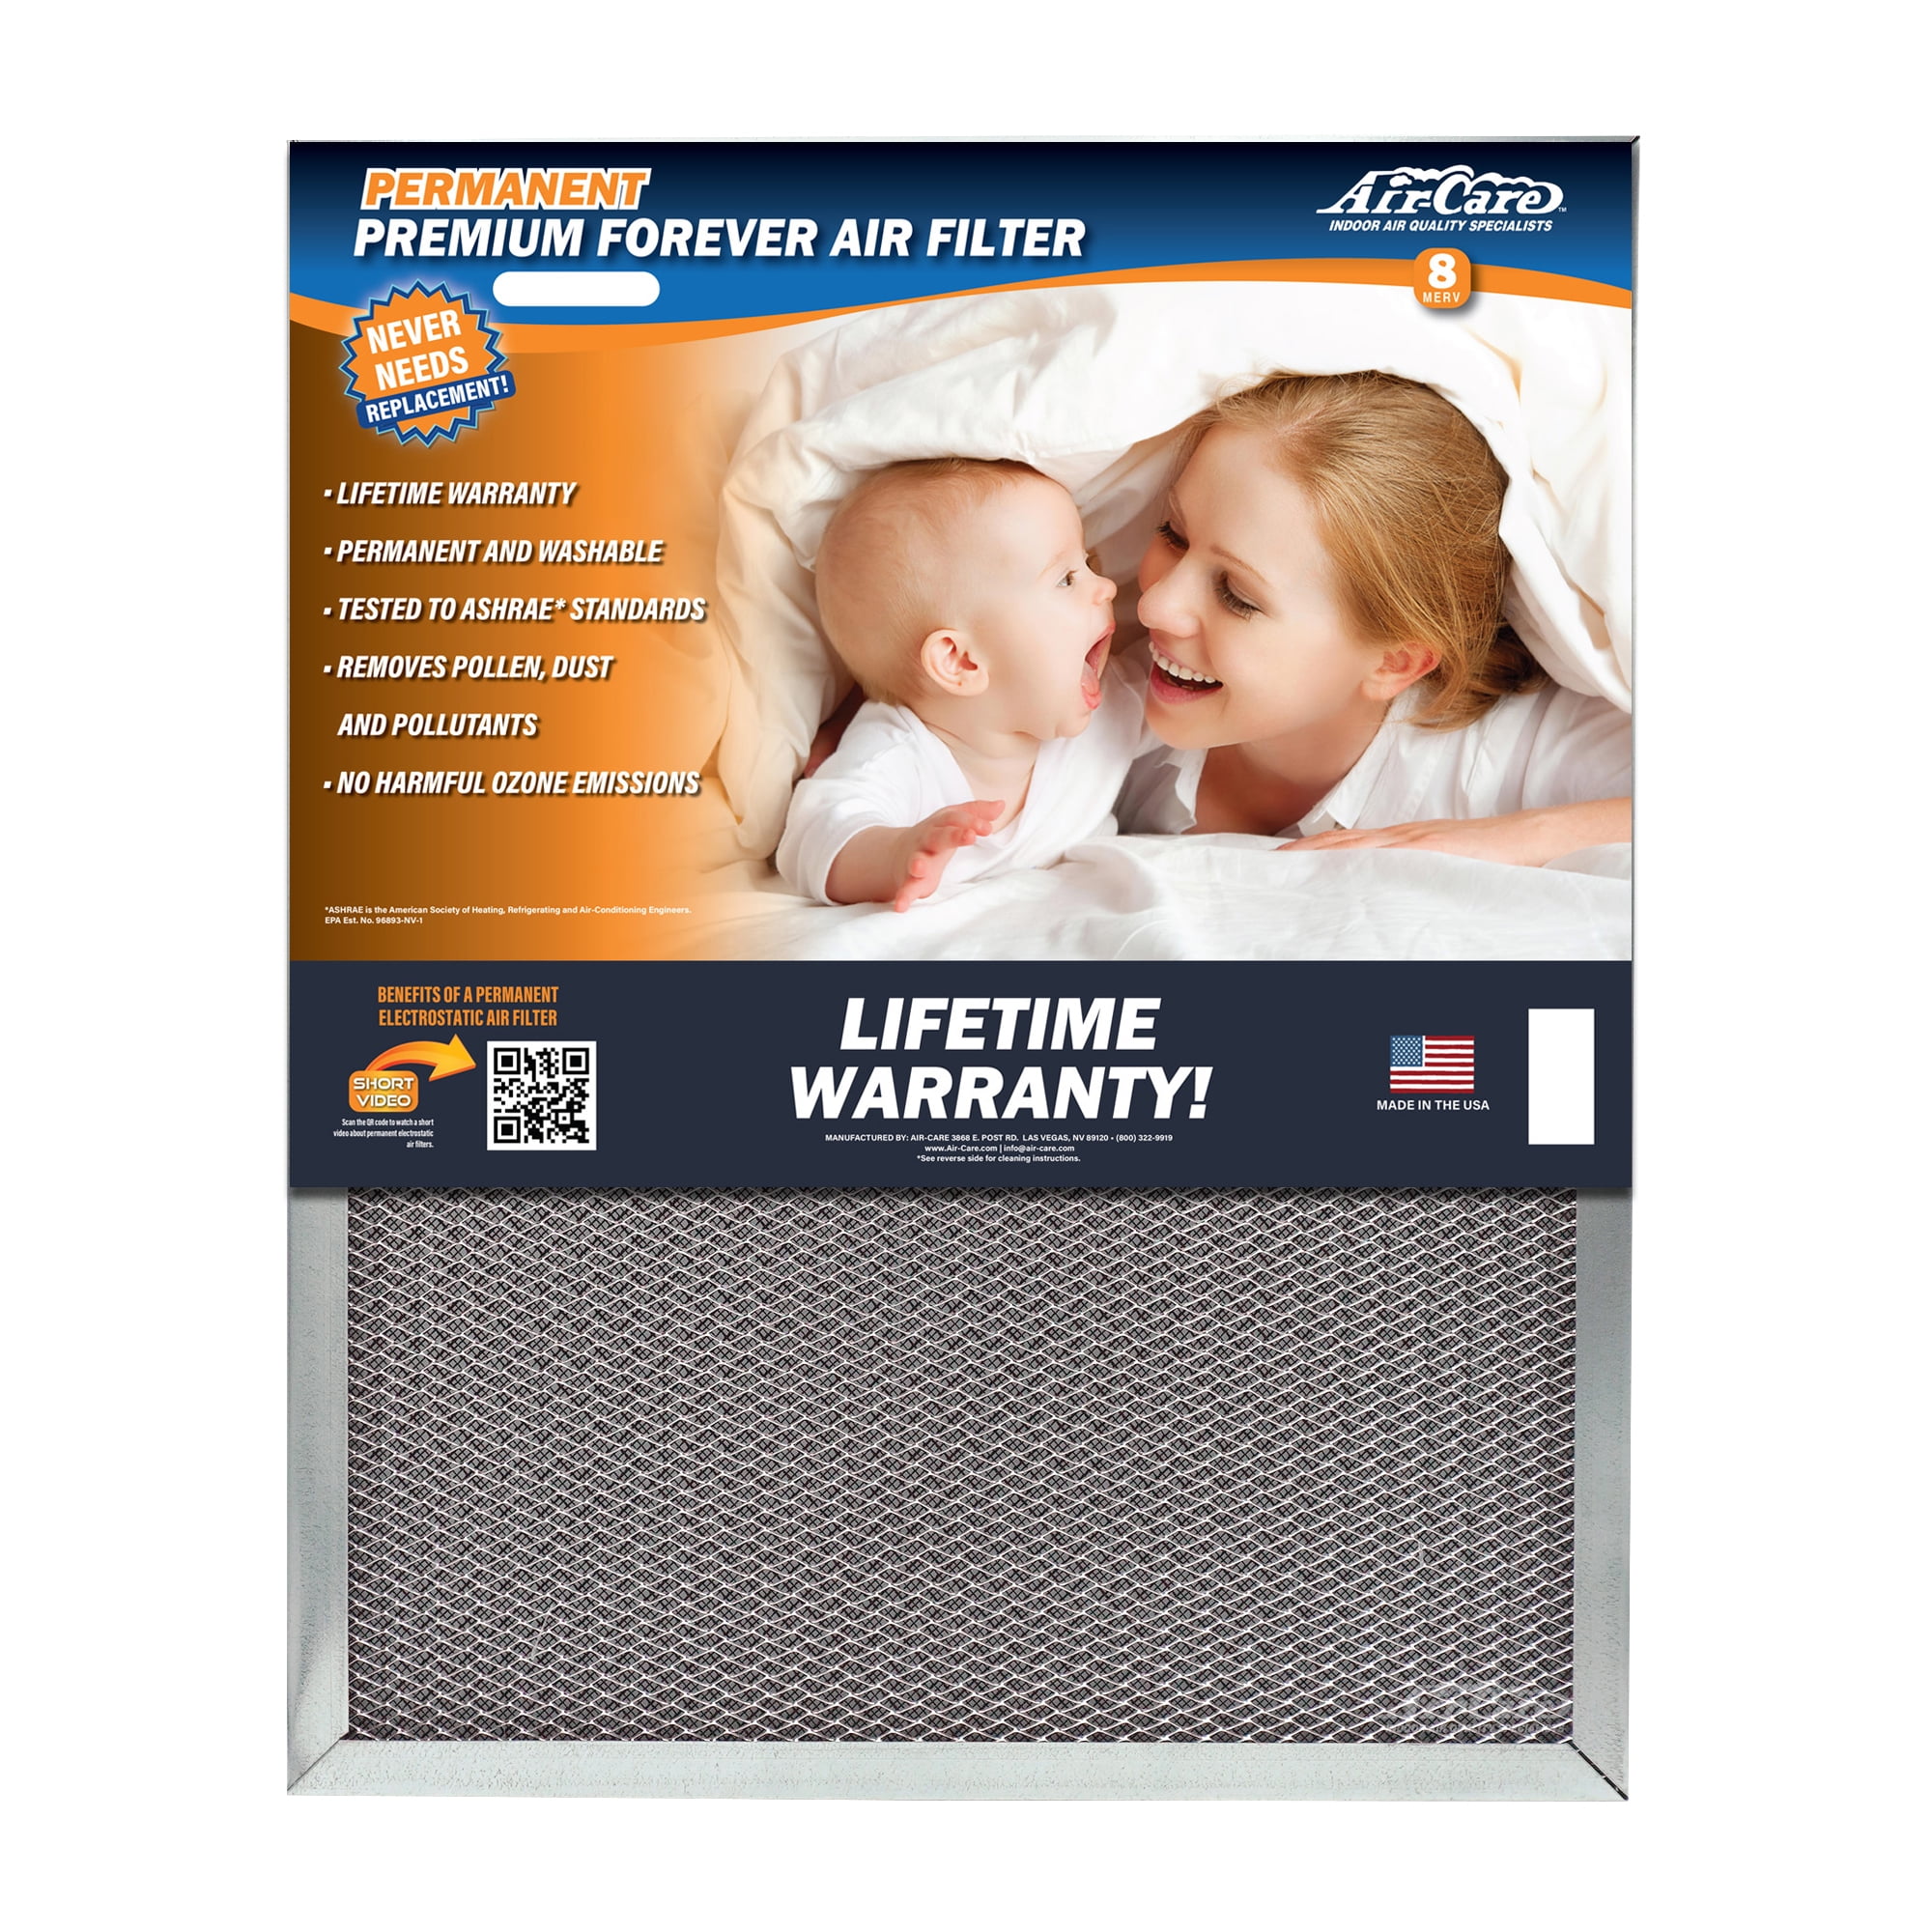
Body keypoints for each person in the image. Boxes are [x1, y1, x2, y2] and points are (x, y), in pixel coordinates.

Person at [1116, 371, 1631, 861]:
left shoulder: (1504, 753)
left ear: (1396, 663)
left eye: (1237, 597)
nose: (1154, 606)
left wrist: (1515, 838)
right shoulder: (1113, 703)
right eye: (1173, 535)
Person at [776, 458, 1138, 911]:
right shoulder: (898, 753)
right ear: (961, 661)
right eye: (1066, 579)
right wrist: (894, 854)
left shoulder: (1117, 705)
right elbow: (817, 835)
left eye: (1088, 562)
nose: (1106, 586)